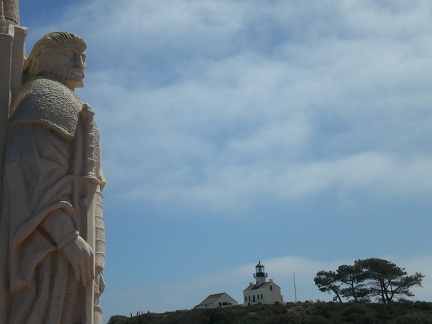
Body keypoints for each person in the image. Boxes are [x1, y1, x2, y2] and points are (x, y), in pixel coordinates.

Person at [0, 31, 105, 324]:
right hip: (49, 248)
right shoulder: (42, 96)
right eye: (70, 54)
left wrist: (96, 256)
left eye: (83, 56)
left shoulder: (69, 100)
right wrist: (68, 237)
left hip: (77, 245)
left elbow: (94, 188)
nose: (79, 61)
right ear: (43, 58)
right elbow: (31, 172)